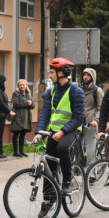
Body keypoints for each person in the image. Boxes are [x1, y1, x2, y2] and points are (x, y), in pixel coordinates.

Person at [35, 58, 85, 201]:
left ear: (61, 73)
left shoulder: (76, 92)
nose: (50, 76)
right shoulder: (51, 92)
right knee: (49, 166)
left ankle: (67, 181)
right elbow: (45, 114)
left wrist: (63, 131)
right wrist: (39, 132)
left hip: (71, 130)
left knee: (63, 148)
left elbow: (79, 118)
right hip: (53, 131)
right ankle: (48, 201)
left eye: (52, 72)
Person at [9, 78, 34, 157]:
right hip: (18, 117)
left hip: (26, 116)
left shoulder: (28, 94)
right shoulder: (15, 93)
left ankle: (22, 151)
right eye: (20, 85)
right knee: (16, 133)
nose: (22, 86)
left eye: (23, 85)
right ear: (18, 86)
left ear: (26, 85)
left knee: (23, 134)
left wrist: (31, 104)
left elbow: (33, 106)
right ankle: (16, 152)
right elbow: (16, 104)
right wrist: (26, 103)